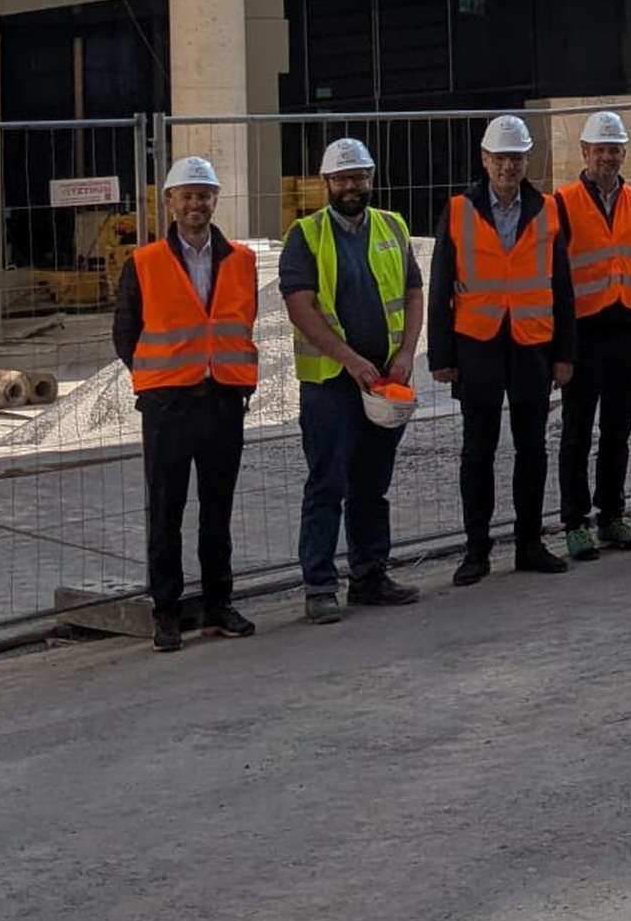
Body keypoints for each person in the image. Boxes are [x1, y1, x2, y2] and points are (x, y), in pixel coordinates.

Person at [113, 155, 261, 651]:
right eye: (188, 195)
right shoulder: (144, 262)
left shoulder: (240, 259)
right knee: (166, 512)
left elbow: (242, 323)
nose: (196, 203)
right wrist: (157, 383)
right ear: (170, 202)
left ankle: (219, 604)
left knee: (217, 511)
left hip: (222, 400)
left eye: (204, 194)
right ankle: (167, 612)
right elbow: (126, 334)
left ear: (215, 200)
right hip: (168, 407)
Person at [429, 116, 578, 584]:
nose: (508, 166)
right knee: (478, 452)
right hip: (478, 345)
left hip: (533, 344)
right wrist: (442, 356)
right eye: (500, 158)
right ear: (484, 159)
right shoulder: (458, 210)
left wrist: (565, 354)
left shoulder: (549, 209)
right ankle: (477, 550)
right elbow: (439, 289)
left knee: (532, 449)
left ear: (526, 160)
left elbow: (563, 287)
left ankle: (530, 543)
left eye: (515, 158)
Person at [280, 136, 423, 624]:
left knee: (372, 482)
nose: (351, 186)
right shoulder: (306, 235)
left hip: (384, 381)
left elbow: (413, 291)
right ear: (326, 184)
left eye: (358, 177)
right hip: (331, 386)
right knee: (328, 482)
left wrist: (406, 353)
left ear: (371, 178)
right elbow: (301, 306)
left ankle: (369, 575)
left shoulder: (392, 226)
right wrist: (349, 361)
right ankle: (320, 585)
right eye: (342, 179)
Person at [553, 112, 631, 564]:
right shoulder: (562, 202)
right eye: (601, 149)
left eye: (615, 149)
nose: (609, 156)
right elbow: (555, 279)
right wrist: (561, 345)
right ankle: (575, 523)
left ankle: (611, 515)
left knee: (618, 430)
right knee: (577, 432)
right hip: (583, 333)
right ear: (584, 153)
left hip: (626, 330)